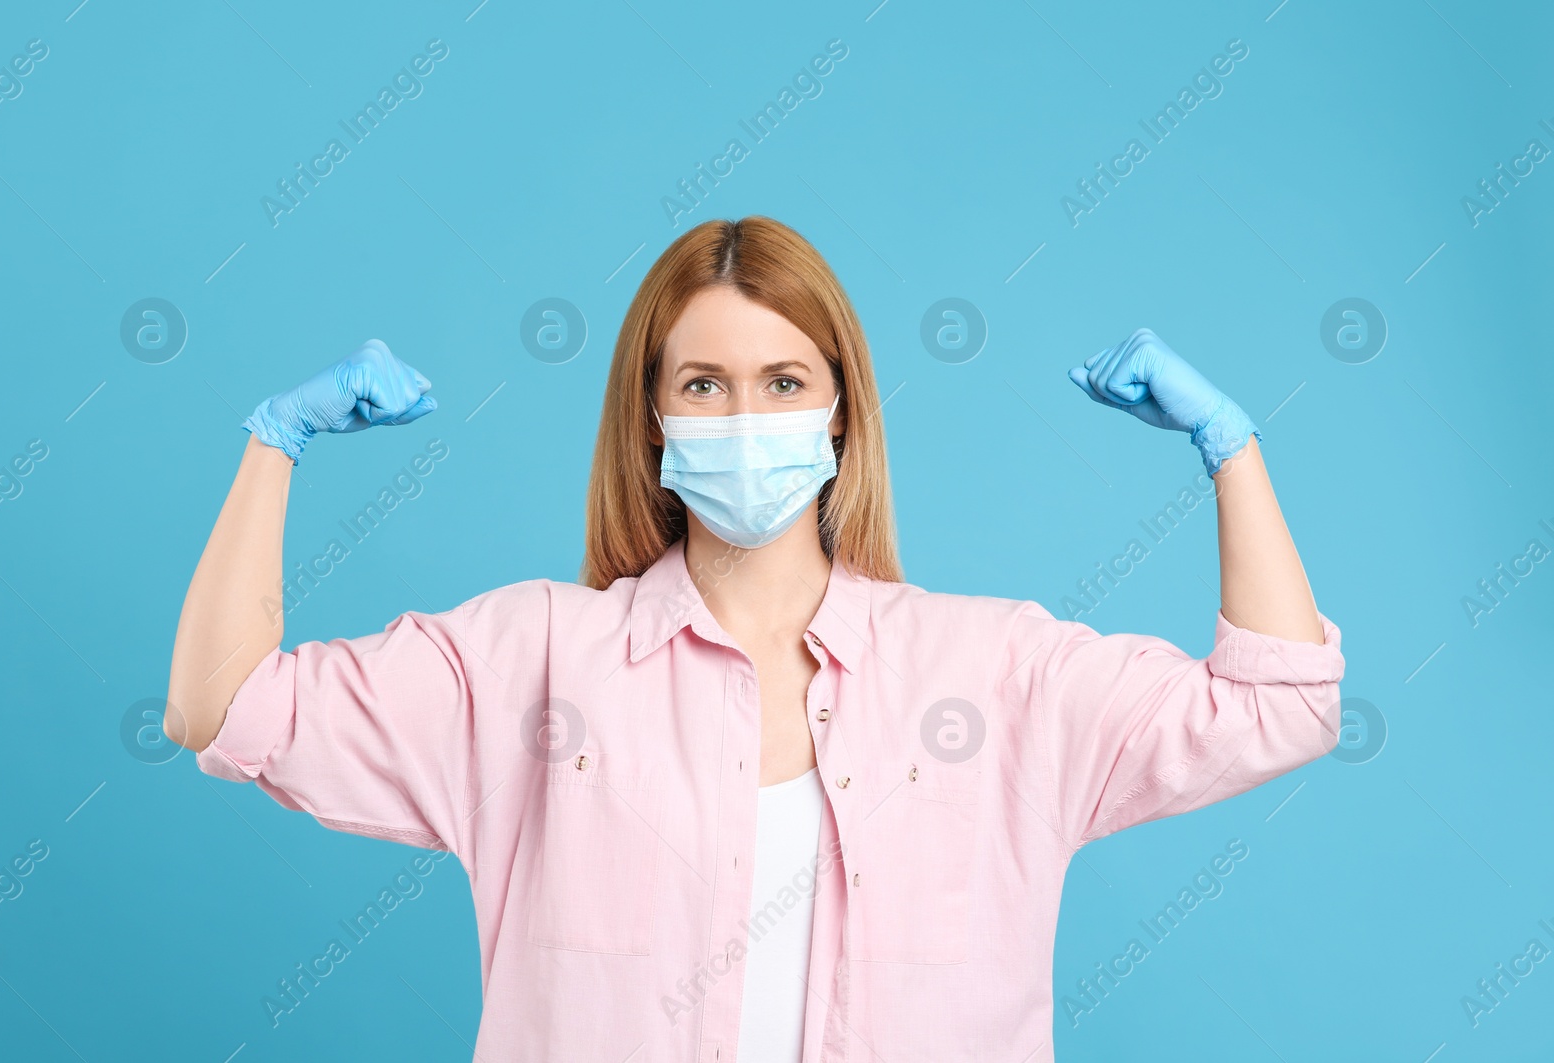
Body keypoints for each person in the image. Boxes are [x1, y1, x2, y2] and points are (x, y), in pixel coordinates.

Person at [165, 215, 1344, 1061]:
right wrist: (275, 442)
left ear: (840, 412)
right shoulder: (530, 662)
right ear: (653, 414)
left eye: (784, 381)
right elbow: (220, 708)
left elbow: (1275, 706)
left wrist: (1231, 449)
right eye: (707, 384)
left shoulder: (994, 674)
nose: (745, 417)